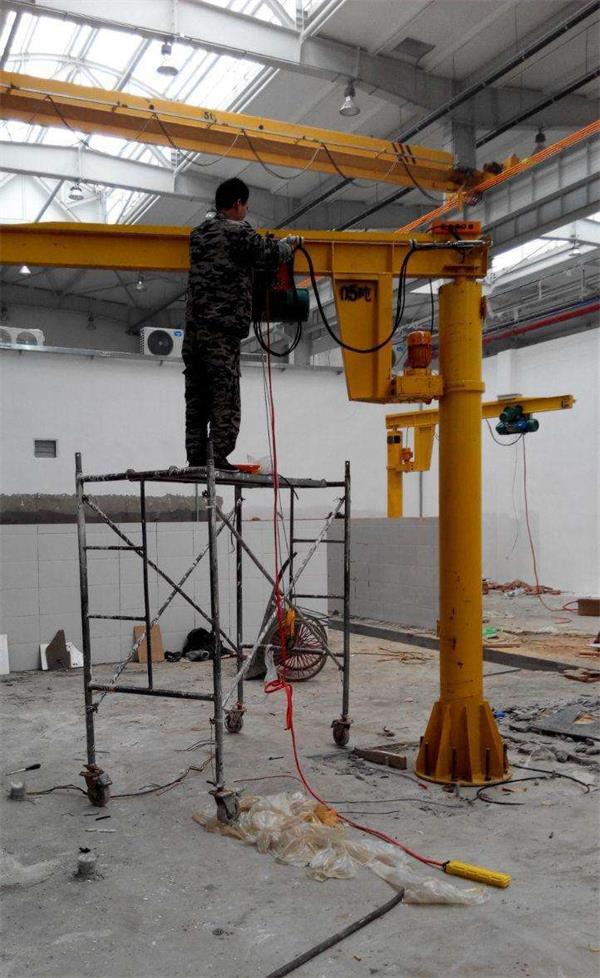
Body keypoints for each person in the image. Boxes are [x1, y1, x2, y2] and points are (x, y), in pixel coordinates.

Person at [183, 177, 302, 469]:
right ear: (238, 204)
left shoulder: (198, 235)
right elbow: (268, 252)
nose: (246, 212)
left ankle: (196, 457)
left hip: (194, 335)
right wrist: (289, 246)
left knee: (197, 398)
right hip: (221, 333)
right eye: (246, 206)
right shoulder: (238, 233)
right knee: (225, 396)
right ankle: (217, 456)